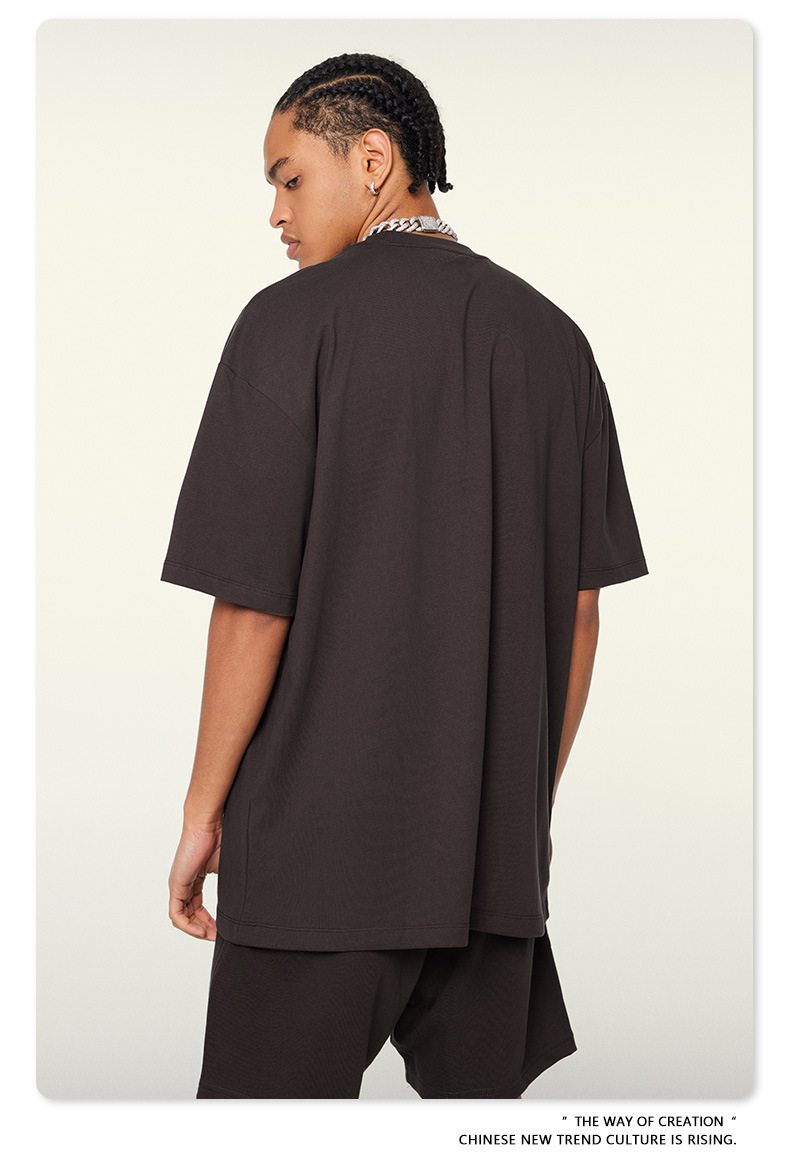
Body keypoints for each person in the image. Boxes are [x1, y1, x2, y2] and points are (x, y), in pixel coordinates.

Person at [161, 51, 649, 1100]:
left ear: (374, 160)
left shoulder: (289, 323)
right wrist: (512, 803)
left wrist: (203, 813)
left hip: (314, 858)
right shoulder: (554, 342)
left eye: (290, 177)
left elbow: (250, 607)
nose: (276, 212)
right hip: (489, 869)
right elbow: (580, 614)